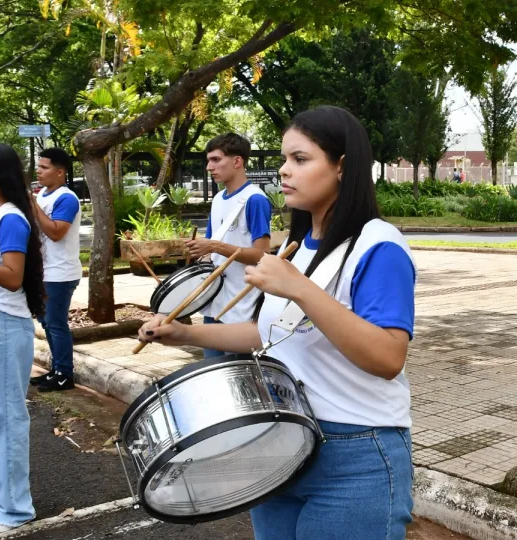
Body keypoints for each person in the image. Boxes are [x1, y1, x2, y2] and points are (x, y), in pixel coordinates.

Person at [138, 105, 417, 540]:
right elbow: (267, 332)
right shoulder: (297, 247)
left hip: (357, 453)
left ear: (342, 165)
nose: (284, 171)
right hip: (280, 442)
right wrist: (184, 333)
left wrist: (300, 288)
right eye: (285, 159)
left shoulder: (378, 245)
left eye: (300, 159)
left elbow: (387, 356)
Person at [0, 143, 46, 534]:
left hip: (1, 325)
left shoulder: (10, 219)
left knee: (2, 414)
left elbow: (12, 277)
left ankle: (14, 507)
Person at [185, 133, 272, 359]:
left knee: (239, 374)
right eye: (208, 161)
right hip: (215, 300)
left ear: (237, 161)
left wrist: (214, 246)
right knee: (213, 372)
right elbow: (210, 249)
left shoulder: (255, 199)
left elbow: (262, 255)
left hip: (242, 304)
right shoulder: (218, 199)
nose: (209, 167)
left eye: (215, 160)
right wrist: (200, 254)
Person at [29, 147, 82, 392]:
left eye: (44, 167)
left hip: (60, 273)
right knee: (47, 323)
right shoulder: (43, 196)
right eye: (39, 167)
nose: (39, 171)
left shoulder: (66, 198)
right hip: (45, 272)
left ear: (60, 172)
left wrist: (33, 205)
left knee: (56, 323)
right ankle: (57, 370)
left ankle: (64, 374)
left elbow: (56, 232)